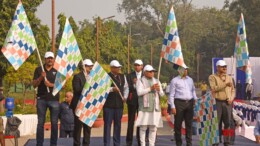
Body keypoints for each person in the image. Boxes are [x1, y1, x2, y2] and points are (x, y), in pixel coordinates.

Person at [33, 51, 60, 146]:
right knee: (40, 123)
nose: (50, 60)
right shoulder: (39, 69)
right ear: (44, 59)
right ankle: (39, 144)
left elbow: (62, 85)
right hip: (41, 99)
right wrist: (41, 77)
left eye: (51, 58)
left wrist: (51, 85)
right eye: (48, 58)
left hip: (54, 99)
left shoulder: (57, 70)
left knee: (54, 123)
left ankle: (54, 144)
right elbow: (34, 85)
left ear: (54, 59)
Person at [135, 65, 164, 146]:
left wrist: (159, 90)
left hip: (155, 108)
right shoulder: (140, 81)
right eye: (150, 71)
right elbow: (139, 92)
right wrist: (150, 88)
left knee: (153, 128)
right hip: (145, 108)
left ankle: (152, 144)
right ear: (145, 72)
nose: (152, 73)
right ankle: (143, 144)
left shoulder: (157, 81)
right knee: (143, 127)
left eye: (153, 72)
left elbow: (162, 94)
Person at [208, 60, 235, 146]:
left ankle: (227, 141)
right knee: (216, 123)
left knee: (228, 123)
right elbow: (213, 88)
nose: (225, 68)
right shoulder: (212, 77)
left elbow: (233, 90)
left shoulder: (229, 77)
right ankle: (215, 141)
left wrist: (231, 98)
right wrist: (225, 84)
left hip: (228, 102)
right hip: (217, 102)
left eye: (225, 66)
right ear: (218, 67)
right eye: (223, 66)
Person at [169, 66, 197, 146]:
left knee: (189, 124)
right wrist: (173, 106)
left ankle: (189, 143)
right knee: (178, 125)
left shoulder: (190, 80)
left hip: (190, 103)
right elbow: (171, 95)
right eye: (184, 69)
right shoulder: (174, 81)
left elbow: (193, 91)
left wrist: (195, 99)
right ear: (179, 70)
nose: (185, 71)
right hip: (179, 103)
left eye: (186, 69)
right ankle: (178, 143)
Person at [103, 60, 129, 146]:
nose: (118, 69)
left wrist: (125, 96)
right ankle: (106, 143)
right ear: (112, 68)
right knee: (107, 125)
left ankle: (116, 143)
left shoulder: (122, 76)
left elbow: (126, 88)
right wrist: (112, 89)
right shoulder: (106, 76)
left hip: (119, 105)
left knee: (118, 125)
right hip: (108, 106)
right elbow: (102, 89)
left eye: (119, 67)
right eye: (116, 67)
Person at [71, 59, 93, 146]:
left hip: (88, 105)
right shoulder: (77, 77)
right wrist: (87, 85)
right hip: (79, 105)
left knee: (87, 128)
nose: (91, 67)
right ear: (84, 67)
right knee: (78, 127)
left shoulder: (92, 77)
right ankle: (76, 144)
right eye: (89, 66)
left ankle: (86, 144)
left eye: (91, 66)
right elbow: (76, 90)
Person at [126, 59, 143, 146]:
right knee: (131, 121)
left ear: (142, 66)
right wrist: (134, 84)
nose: (137, 66)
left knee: (140, 121)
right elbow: (127, 87)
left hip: (142, 100)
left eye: (138, 65)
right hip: (132, 100)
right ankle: (129, 141)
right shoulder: (129, 75)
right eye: (135, 65)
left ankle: (140, 140)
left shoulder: (145, 75)